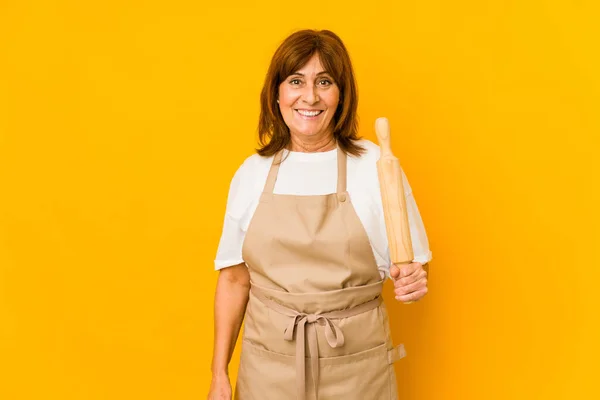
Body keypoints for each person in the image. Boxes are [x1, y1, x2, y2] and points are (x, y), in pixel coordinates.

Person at [208, 29, 432, 400]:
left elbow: (416, 267)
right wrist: (218, 373)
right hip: (268, 370)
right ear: (277, 93)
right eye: (296, 81)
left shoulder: (376, 165)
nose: (309, 96)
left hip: (358, 371)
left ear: (341, 94)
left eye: (324, 81)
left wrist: (414, 281)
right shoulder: (252, 173)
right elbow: (234, 280)